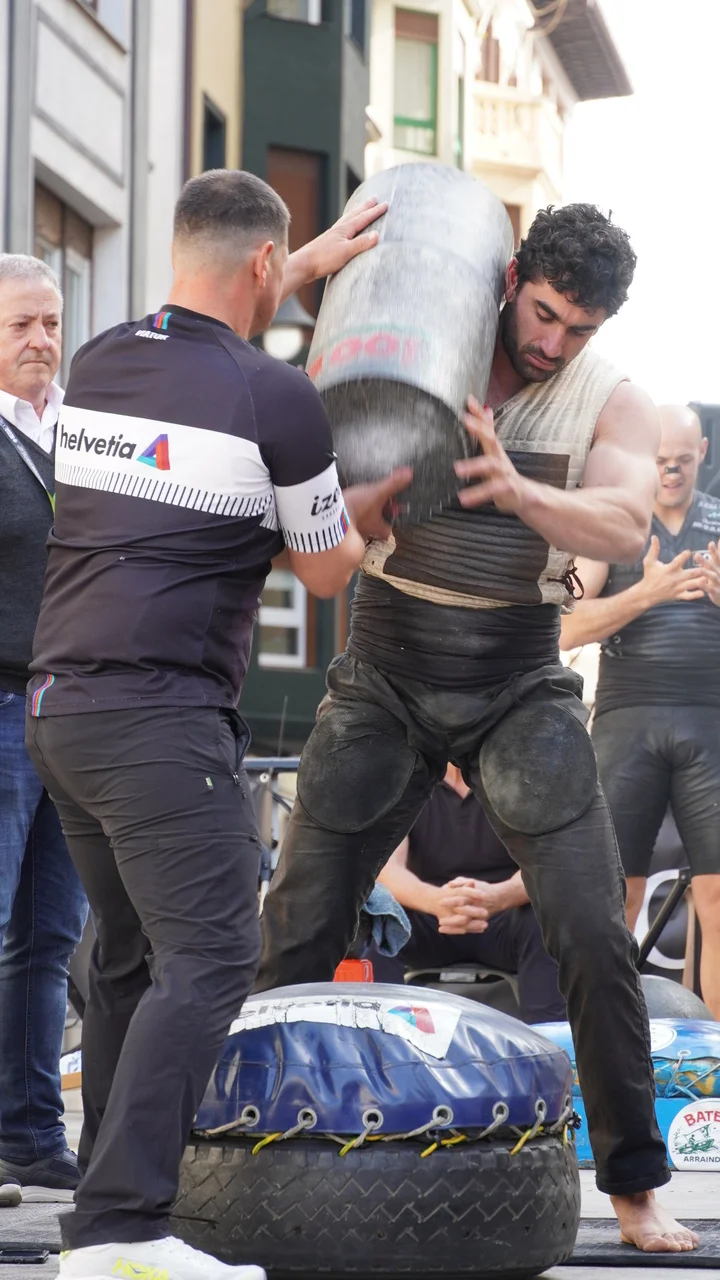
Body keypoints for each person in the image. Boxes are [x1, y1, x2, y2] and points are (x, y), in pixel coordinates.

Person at [255, 204, 698, 1254]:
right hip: (389, 658)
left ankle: (635, 1187)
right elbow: (295, 394)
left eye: (579, 328)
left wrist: (521, 491)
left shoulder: (612, 398)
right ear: (510, 280)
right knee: (304, 913)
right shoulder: (424, 339)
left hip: (517, 674)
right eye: (544, 314)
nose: (554, 342)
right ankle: (246, 1148)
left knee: (592, 925)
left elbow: (623, 522)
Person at [26, 169, 408, 1280]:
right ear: (263, 265)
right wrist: (370, 524)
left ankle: (103, 1210)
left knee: (129, 959)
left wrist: (307, 258)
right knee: (212, 954)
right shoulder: (275, 396)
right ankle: (123, 1225)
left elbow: (194, 493)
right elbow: (325, 567)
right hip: (160, 717)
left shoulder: (103, 360)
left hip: (62, 709)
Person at [560, 404, 720, 1017]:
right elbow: (564, 628)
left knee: (716, 901)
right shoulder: (617, 527)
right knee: (614, 897)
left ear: (702, 452)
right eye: (659, 461)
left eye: (682, 460)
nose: (670, 472)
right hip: (629, 719)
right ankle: (607, 1045)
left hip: (710, 719)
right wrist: (645, 594)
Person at [0, 255, 88, 1208]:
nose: (41, 340)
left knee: (48, 936)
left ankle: (28, 1136)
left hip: (71, 711)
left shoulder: (78, 432)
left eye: (51, 322)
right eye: (20, 324)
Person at [377, 764, 564, 1023]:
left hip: (506, 918)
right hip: (428, 918)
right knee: (379, 917)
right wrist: (436, 901)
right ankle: (377, 1032)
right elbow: (387, 869)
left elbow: (544, 863)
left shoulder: (523, 778)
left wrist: (498, 897)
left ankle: (547, 1034)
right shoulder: (404, 779)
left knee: (548, 917)